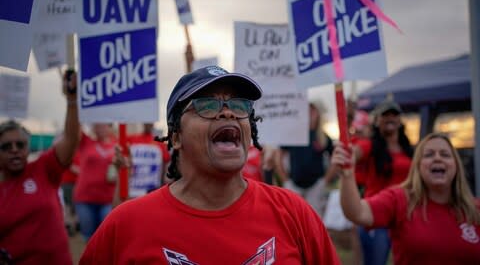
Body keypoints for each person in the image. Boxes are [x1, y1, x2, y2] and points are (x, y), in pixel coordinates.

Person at [80, 65, 340, 264]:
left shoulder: (295, 214)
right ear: (176, 136)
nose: (227, 112)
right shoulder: (126, 225)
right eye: (206, 105)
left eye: (239, 105)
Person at [332, 132, 480, 265]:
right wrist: (347, 175)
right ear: (418, 166)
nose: (437, 158)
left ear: (456, 166)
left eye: (445, 154)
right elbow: (357, 212)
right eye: (429, 154)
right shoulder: (400, 199)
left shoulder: (475, 210)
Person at [0, 70, 80, 265]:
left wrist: (71, 100)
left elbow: (70, 139)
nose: (14, 150)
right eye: (6, 146)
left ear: (28, 148)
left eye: (20, 145)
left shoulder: (43, 169)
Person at [352, 99, 413, 265]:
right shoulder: (371, 146)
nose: (390, 118)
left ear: (400, 120)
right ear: (377, 121)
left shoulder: (408, 150)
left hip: (405, 216)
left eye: (394, 114)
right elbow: (352, 155)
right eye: (385, 115)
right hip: (378, 215)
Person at [273, 101, 334, 216]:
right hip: (294, 185)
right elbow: (278, 157)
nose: (309, 113)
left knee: (314, 219)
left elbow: (335, 159)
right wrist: (286, 181)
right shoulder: (293, 135)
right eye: (307, 111)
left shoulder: (323, 136)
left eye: (312, 110)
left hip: (315, 186)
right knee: (294, 218)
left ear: (318, 114)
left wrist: (325, 180)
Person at [73, 123, 118, 241]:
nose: (100, 127)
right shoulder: (86, 142)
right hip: (84, 199)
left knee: (106, 238)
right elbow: (74, 126)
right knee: (89, 238)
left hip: (108, 200)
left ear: (110, 127)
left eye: (103, 125)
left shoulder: (117, 145)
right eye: (97, 125)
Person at [127, 123, 170, 197]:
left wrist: (163, 185)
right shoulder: (131, 139)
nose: (148, 125)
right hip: (131, 192)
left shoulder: (160, 144)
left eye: (150, 123)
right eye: (147, 123)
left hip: (152, 192)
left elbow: (165, 166)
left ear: (153, 124)